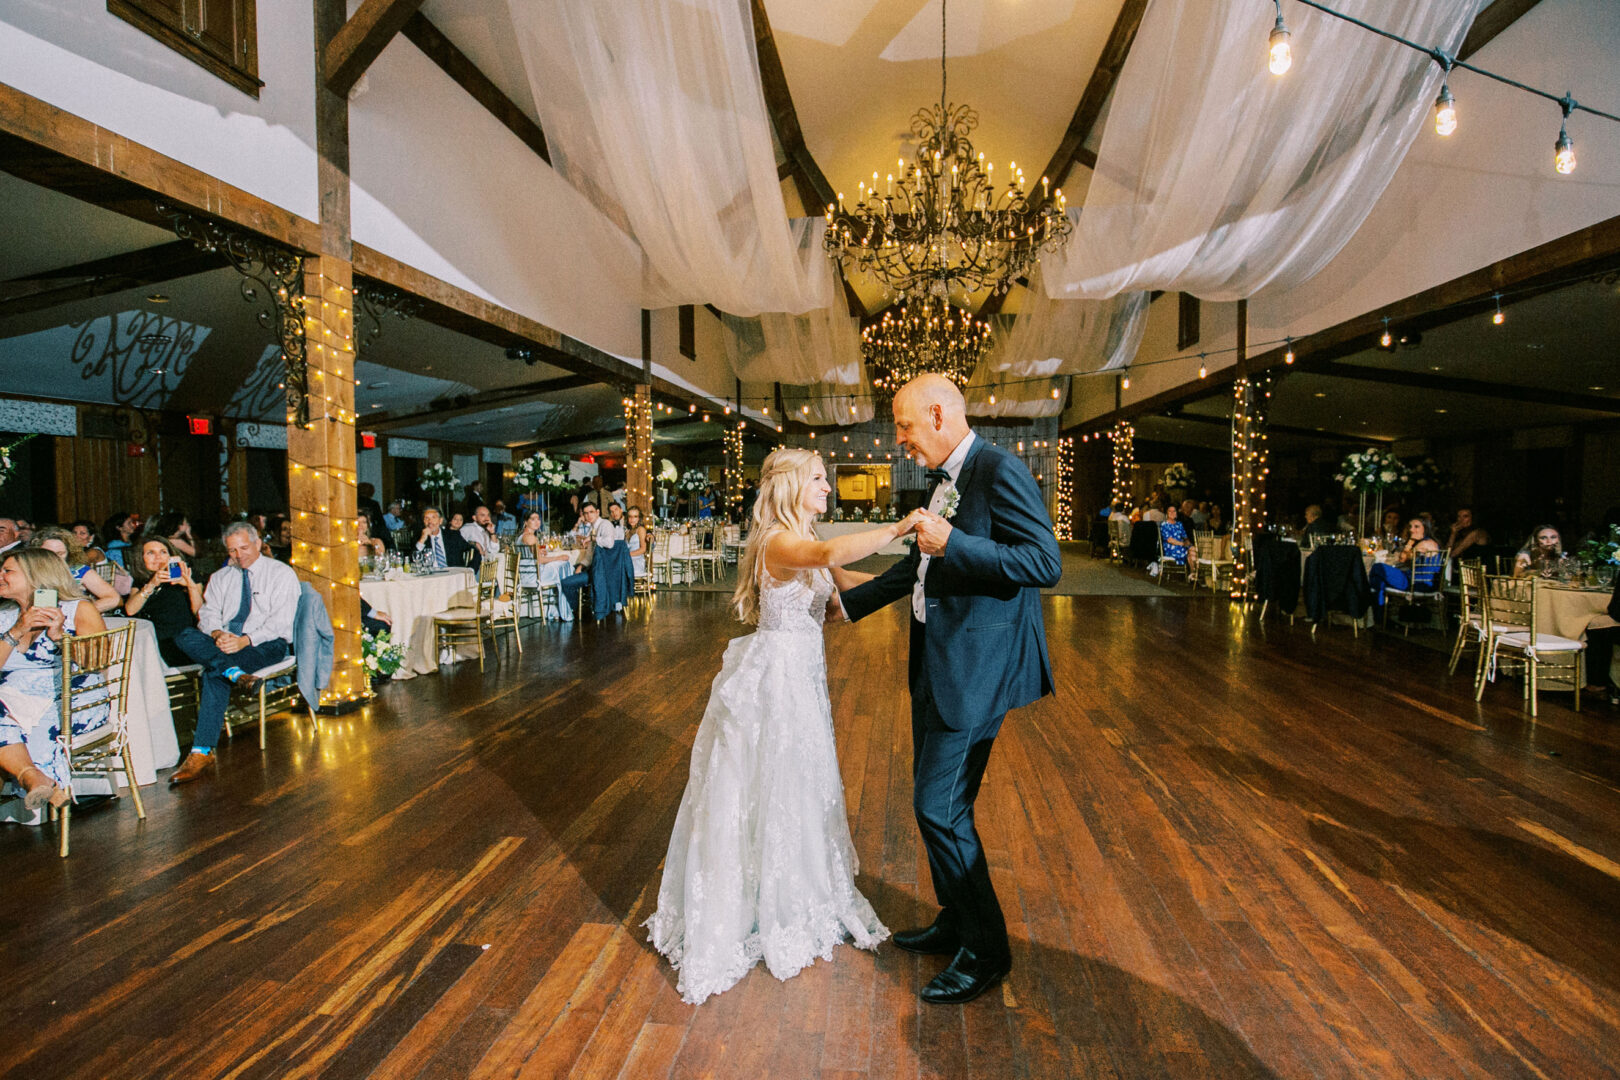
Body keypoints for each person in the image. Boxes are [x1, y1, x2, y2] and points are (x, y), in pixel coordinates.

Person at [647, 448, 927, 1005]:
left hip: (804, 681)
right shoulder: (779, 539)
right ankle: (751, 906)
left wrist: (922, 572)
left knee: (799, 785)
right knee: (762, 788)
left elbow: (846, 578)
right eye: (819, 479)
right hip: (773, 684)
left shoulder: (806, 534)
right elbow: (824, 553)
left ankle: (799, 894)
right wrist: (897, 528)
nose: (828, 486)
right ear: (793, 485)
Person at [837, 374, 1061, 1004]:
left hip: (977, 669)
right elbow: (919, 567)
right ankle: (957, 919)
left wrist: (955, 542)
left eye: (905, 426)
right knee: (934, 803)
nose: (900, 439)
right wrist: (849, 605)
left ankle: (988, 949)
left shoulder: (998, 471)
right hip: (938, 665)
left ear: (937, 414)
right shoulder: (946, 482)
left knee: (940, 807)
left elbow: (1045, 563)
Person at [168, 522, 300, 785]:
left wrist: (245, 641)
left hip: (266, 643)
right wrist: (218, 634)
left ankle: (201, 752)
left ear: (258, 542)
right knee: (184, 635)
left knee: (213, 673)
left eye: (243, 548)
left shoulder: (281, 573)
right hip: (224, 643)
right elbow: (207, 615)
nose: (239, 555)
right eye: (232, 550)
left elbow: (281, 623)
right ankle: (235, 673)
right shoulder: (221, 577)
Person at [0, 549, 110, 812]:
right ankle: (33, 777)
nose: (0, 576)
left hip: (72, 701)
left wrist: (60, 636)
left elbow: (98, 663)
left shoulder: (78, 609)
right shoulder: (5, 615)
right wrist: (17, 630)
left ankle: (32, 778)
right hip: (12, 700)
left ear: (35, 575)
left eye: (7, 571)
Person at [123, 537, 204, 667]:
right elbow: (130, 609)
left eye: (163, 552)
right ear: (141, 558)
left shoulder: (188, 575)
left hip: (185, 638)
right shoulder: (142, 581)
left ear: (171, 555)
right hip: (155, 640)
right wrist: (152, 584)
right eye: (151, 553)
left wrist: (190, 586)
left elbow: (200, 613)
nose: (158, 557)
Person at [30, 527, 120, 613]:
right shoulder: (28, 570)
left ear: (69, 553)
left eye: (60, 554)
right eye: (49, 554)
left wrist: (79, 613)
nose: (55, 558)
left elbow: (113, 598)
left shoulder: (79, 571)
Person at [515, 511, 586, 619]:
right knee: (563, 565)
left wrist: (538, 551)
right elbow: (539, 560)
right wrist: (558, 557)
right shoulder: (530, 537)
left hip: (525, 574)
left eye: (538, 519)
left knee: (560, 566)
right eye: (532, 519)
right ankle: (566, 607)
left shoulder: (522, 536)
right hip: (534, 575)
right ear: (525, 522)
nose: (537, 522)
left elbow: (534, 556)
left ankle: (559, 607)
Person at [1369, 518, 1443, 606]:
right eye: (1410, 527)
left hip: (1417, 584)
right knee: (1379, 581)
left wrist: (1410, 541)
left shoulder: (1424, 544)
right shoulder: (1431, 542)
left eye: (1416, 527)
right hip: (1420, 582)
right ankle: (1379, 612)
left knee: (1378, 567)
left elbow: (1402, 558)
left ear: (1425, 528)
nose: (1411, 529)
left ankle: (1376, 611)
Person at [588, 502, 632, 618]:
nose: (614, 513)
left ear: (621, 510)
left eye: (616, 510)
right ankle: (609, 603)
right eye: (611, 511)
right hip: (613, 559)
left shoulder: (630, 522)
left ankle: (608, 603)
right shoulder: (608, 525)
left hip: (626, 559)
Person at [624, 506, 650, 581]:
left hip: (637, 561)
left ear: (639, 518)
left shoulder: (641, 530)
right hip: (628, 559)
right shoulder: (627, 531)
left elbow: (643, 549)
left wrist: (627, 555)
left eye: (635, 516)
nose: (632, 519)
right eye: (630, 517)